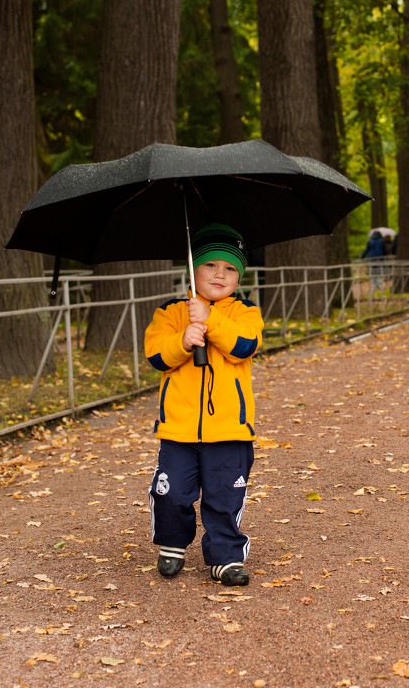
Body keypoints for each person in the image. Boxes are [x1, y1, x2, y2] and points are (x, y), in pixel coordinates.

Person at [144, 223, 264, 587]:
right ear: (192, 270)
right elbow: (156, 358)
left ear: (239, 277)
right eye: (210, 265)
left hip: (229, 427)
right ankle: (172, 543)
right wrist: (183, 340)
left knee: (224, 494)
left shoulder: (245, 312)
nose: (220, 274)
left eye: (230, 269)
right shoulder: (170, 312)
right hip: (178, 428)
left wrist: (211, 320)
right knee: (172, 490)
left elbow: (244, 346)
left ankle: (225, 556)